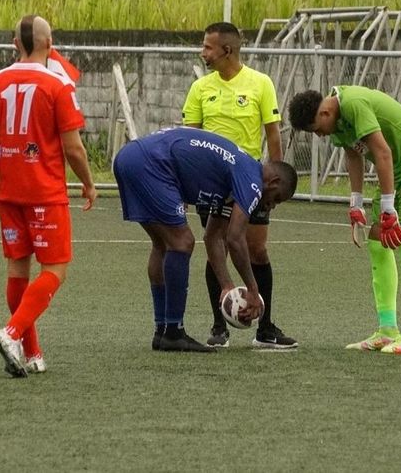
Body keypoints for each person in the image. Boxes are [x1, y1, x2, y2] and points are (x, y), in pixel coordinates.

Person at [0, 14, 97, 377]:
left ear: (15, 44)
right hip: (46, 192)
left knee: (17, 271)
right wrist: (87, 181)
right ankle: (11, 333)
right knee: (55, 270)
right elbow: (74, 148)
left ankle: (32, 352)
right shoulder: (58, 83)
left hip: (9, 194)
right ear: (48, 44)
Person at [288, 86, 401, 354]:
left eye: (317, 129)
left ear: (325, 112)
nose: (320, 135)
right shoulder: (337, 120)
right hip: (397, 168)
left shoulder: (353, 105)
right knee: (376, 240)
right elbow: (353, 155)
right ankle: (387, 330)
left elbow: (382, 153)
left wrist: (387, 208)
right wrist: (356, 203)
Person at [112, 127, 298, 352]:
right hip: (151, 164)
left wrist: (226, 286)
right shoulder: (252, 181)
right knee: (182, 242)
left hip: (131, 158)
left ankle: (163, 331)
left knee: (163, 245)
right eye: (275, 199)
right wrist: (252, 289)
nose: (270, 206)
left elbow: (213, 237)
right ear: (274, 182)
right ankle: (174, 332)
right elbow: (235, 239)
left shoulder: (238, 177)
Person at [182, 21, 298, 350]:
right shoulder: (200, 88)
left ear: (227, 50)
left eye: (207, 47)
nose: (203, 52)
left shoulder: (260, 83)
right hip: (213, 183)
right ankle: (220, 324)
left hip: (252, 184)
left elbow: (273, 135)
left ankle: (265, 326)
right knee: (215, 245)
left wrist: (276, 183)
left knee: (257, 249)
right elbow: (190, 138)